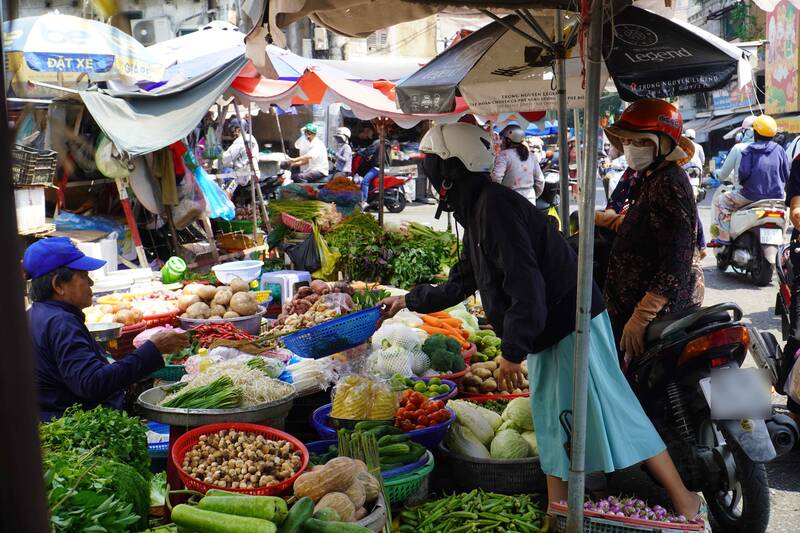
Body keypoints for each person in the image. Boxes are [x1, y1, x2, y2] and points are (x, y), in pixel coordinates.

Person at [380, 122, 708, 527]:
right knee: (554, 423)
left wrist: (512, 352)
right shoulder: (479, 209)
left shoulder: (495, 208)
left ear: (450, 170)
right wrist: (408, 300)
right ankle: (560, 515)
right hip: (550, 327)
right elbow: (463, 280)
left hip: (570, 323)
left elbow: (527, 287)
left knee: (615, 411)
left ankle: (685, 500)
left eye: (431, 165)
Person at [25, 238, 189, 421]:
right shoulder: (61, 323)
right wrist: (152, 349)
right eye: (84, 276)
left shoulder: (36, 313)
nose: (91, 283)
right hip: (73, 424)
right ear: (58, 285)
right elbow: (91, 383)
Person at [602, 99, 704, 363]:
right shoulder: (652, 177)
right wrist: (605, 221)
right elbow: (646, 227)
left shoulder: (668, 183)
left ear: (665, 143)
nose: (631, 148)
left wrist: (641, 317)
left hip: (660, 316)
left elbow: (676, 262)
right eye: (627, 142)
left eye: (641, 142)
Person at [710, 115, 789, 246]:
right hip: (778, 198)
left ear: (755, 132)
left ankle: (724, 237)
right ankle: (784, 237)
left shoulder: (748, 150)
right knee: (787, 211)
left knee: (721, 201)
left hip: (750, 196)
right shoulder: (780, 150)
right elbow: (787, 174)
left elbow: (743, 174)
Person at [491, 125, 544, 199]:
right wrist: (534, 196)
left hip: (510, 199)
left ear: (508, 140)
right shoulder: (532, 156)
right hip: (530, 199)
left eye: (503, 139)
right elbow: (540, 180)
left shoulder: (504, 155)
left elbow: (496, 178)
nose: (501, 142)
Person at [715, 115, 755, 185]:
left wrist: (715, 173)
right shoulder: (772, 148)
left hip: (742, 192)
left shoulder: (737, 148)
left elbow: (723, 174)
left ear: (745, 132)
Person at [222, 117, 259, 186]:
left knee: (222, 189)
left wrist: (215, 162)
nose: (231, 132)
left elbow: (227, 157)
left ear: (238, 129)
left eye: (233, 130)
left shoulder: (240, 141)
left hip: (241, 175)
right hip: (252, 172)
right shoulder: (251, 138)